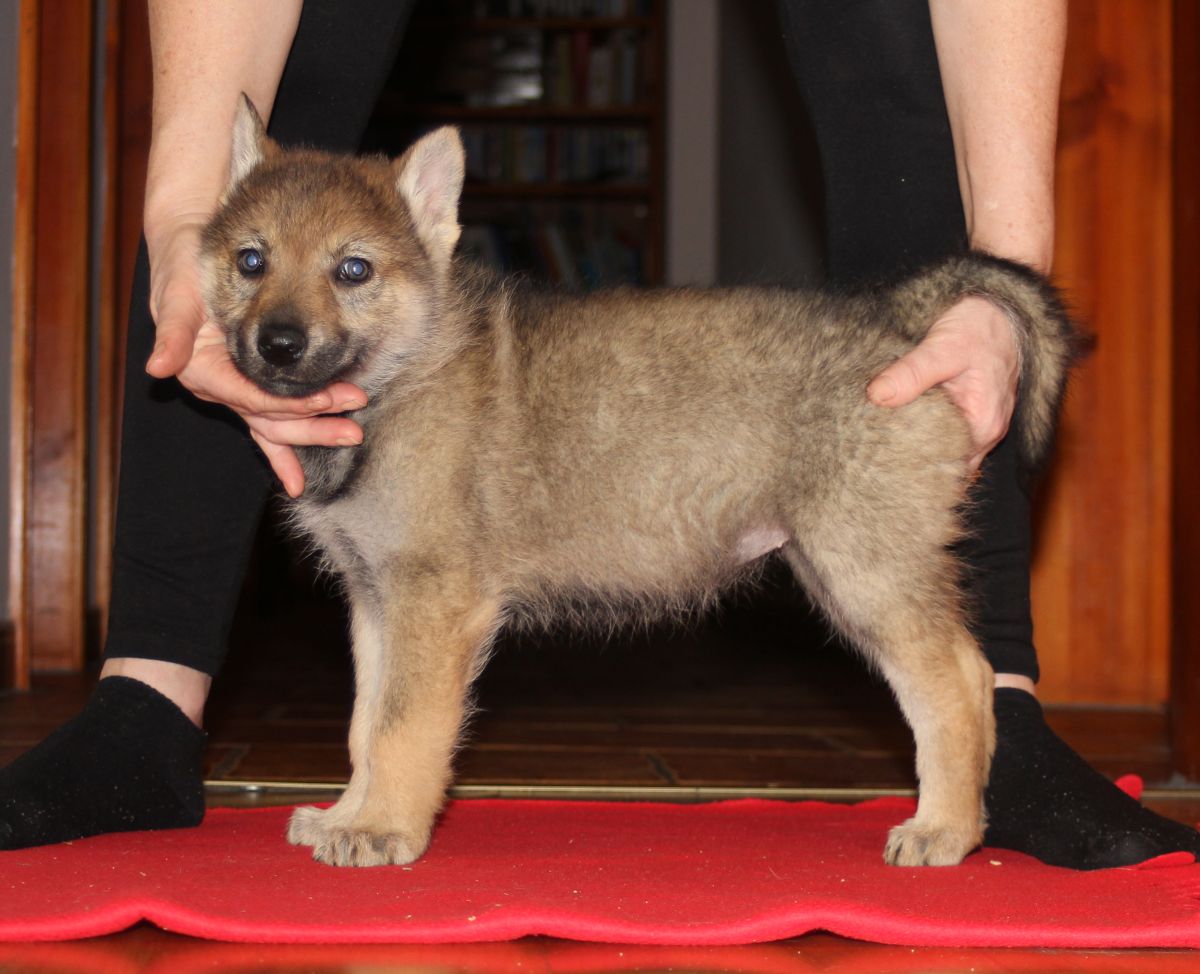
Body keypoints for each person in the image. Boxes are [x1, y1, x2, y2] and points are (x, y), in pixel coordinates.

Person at [2, 0, 1197, 870]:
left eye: (350, 273)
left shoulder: (448, 396)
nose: (286, 311)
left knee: (886, 590)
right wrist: (178, 218)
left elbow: (436, 598)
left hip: (798, 411)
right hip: (737, 392)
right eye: (254, 262)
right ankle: (149, 706)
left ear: (432, 233)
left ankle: (983, 748)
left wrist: (1003, 280)